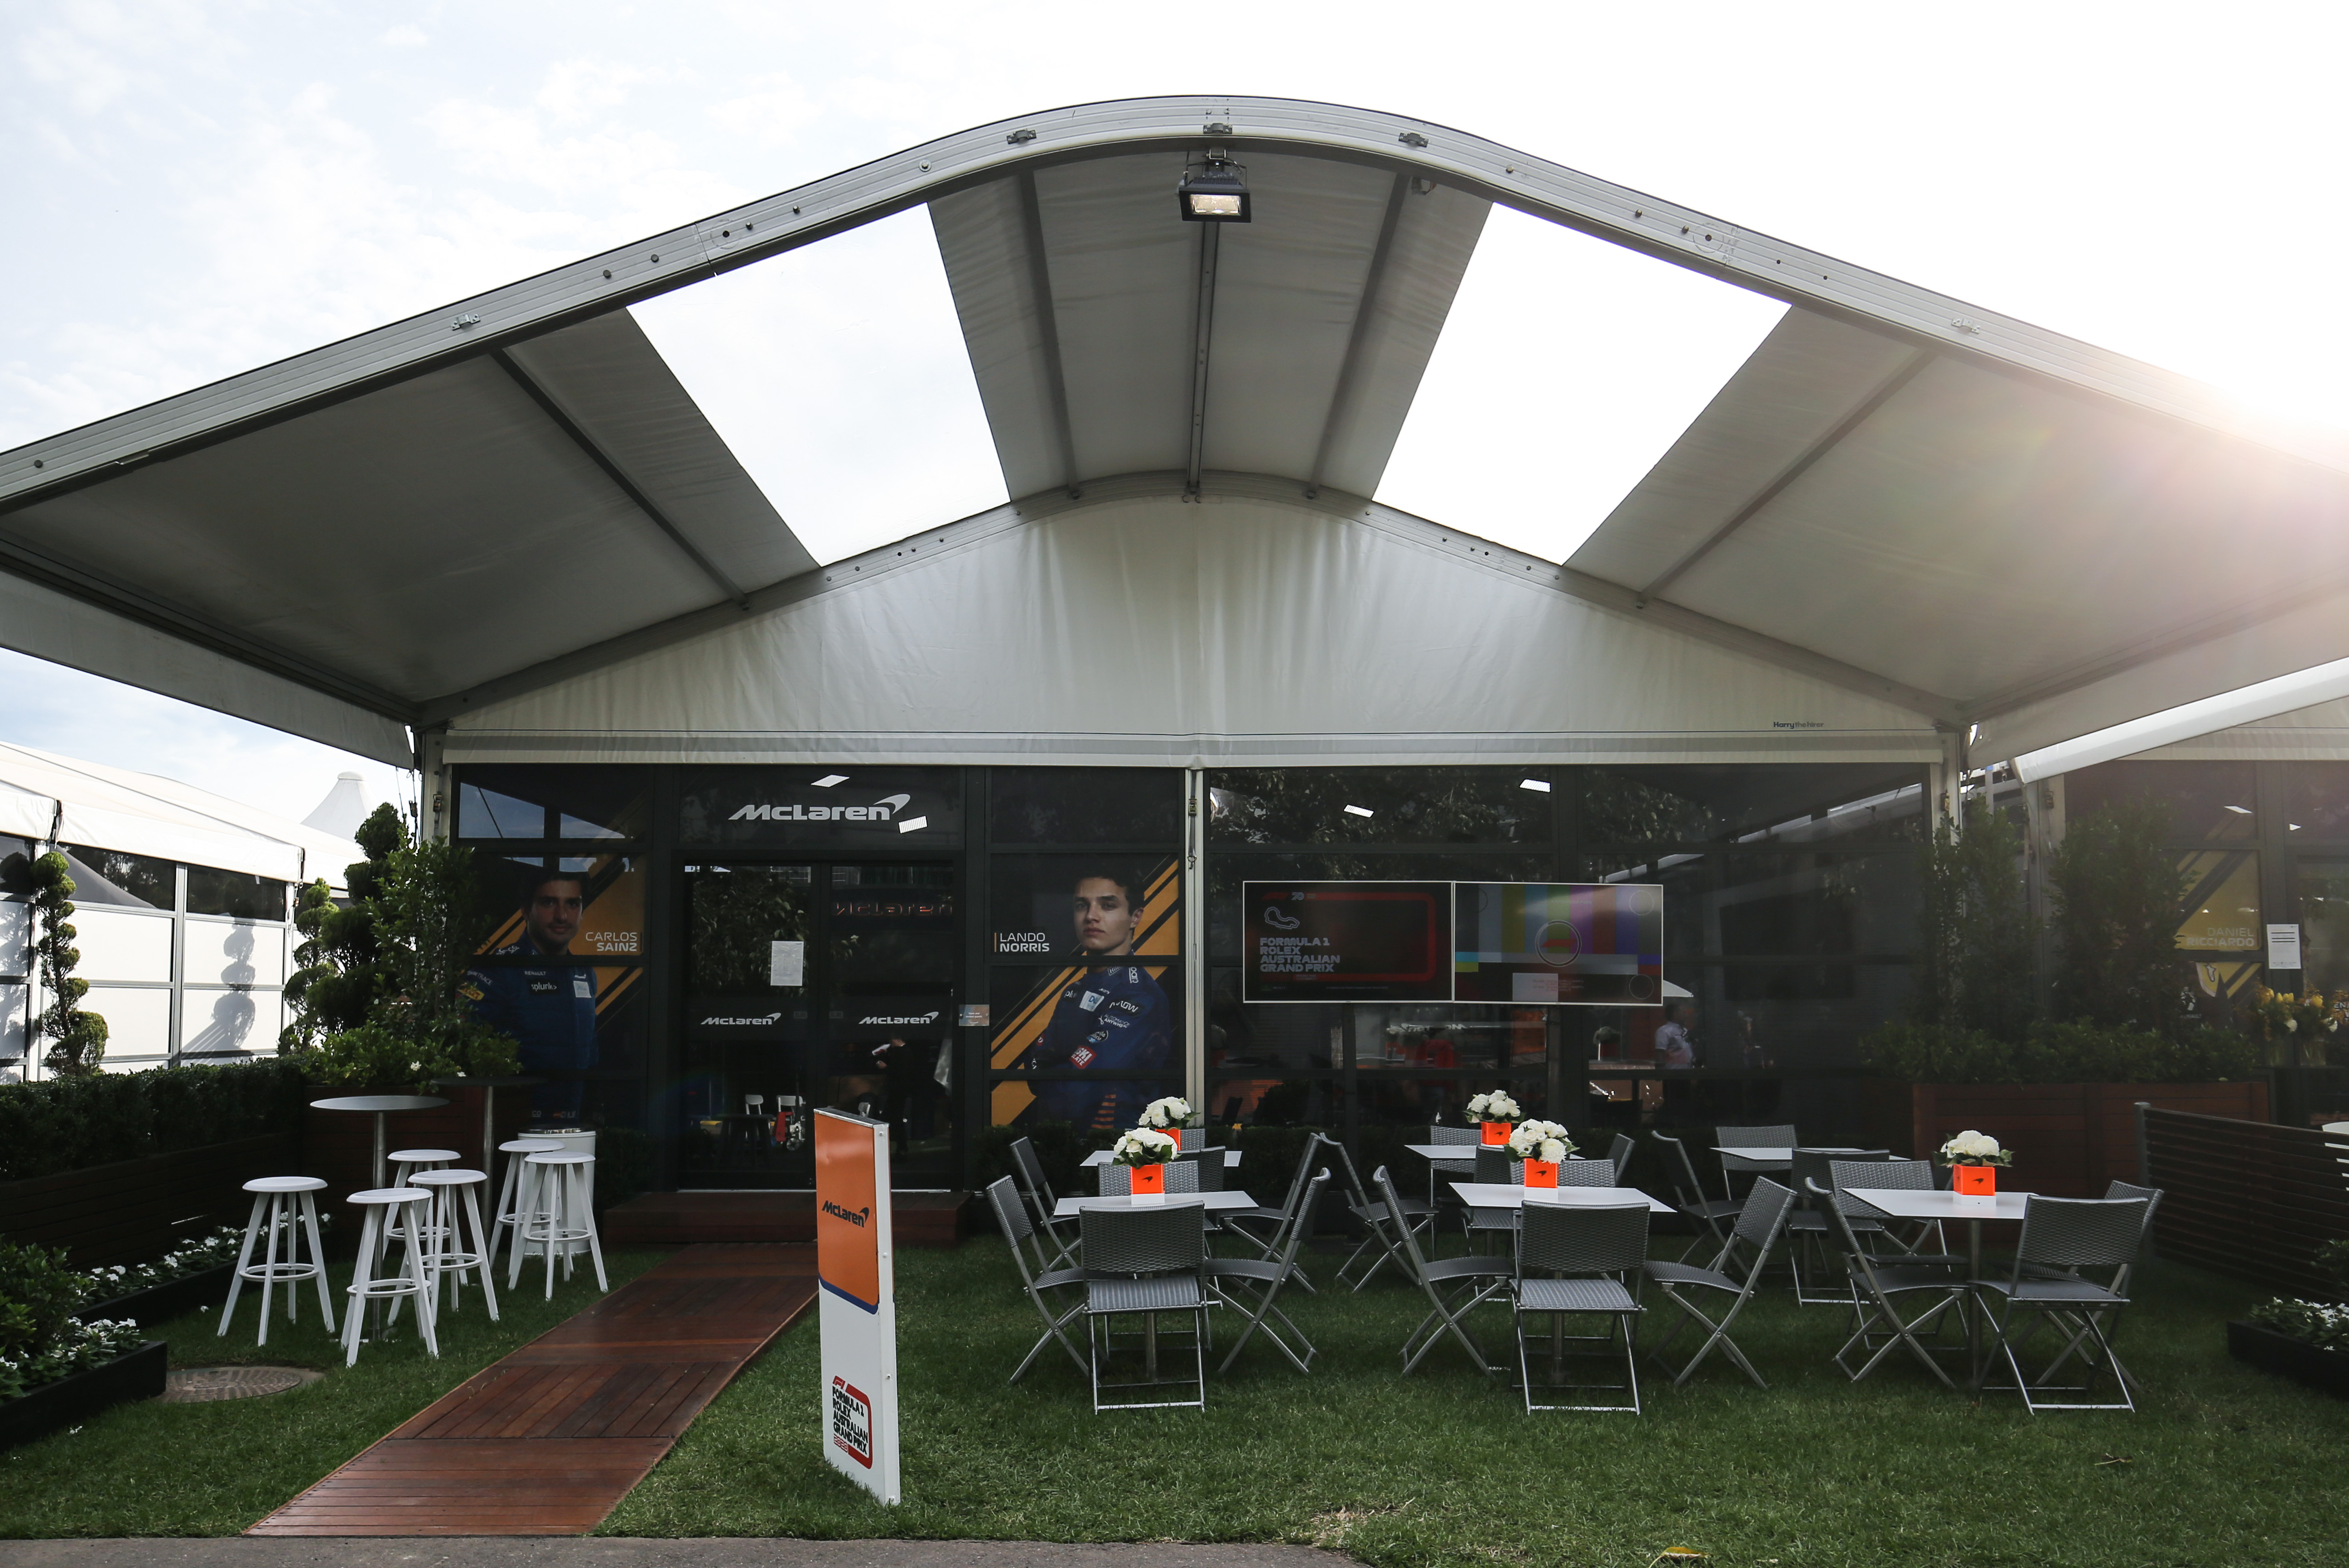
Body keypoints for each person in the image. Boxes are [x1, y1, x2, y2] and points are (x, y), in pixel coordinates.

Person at [1020, 865, 1173, 1132]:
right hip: (1067, 1144)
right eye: (1082, 905)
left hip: (1114, 1148)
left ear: (1135, 917)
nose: (1091, 916)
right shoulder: (1075, 990)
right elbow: (1034, 1067)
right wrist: (1060, 1070)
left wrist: (1058, 1068)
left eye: (1108, 905)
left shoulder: (1140, 997)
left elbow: (1075, 1094)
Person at [463, 866, 598, 1122]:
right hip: (514, 1124)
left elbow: (591, 1049)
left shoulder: (584, 972)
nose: (562, 916)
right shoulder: (498, 971)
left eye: (572, 904)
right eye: (549, 903)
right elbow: (465, 1048)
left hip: (572, 1120)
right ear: (526, 910)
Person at [1654, 1004, 1696, 1068]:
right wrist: (1660, 1074)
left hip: (1687, 1074)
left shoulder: (1685, 1031)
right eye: (1684, 1013)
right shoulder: (1664, 1031)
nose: (1686, 1015)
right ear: (1676, 1015)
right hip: (1672, 1075)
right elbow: (1660, 1054)